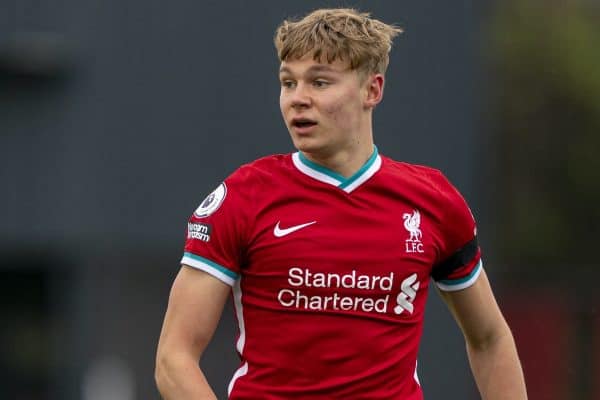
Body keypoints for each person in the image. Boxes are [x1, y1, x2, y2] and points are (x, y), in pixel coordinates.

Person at [155, 8, 527, 400]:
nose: (298, 99)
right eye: (288, 82)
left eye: (319, 82)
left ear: (372, 90)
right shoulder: (243, 196)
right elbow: (174, 358)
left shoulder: (433, 201)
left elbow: (489, 338)